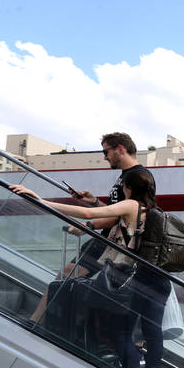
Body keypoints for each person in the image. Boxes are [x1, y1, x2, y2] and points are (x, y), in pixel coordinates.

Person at [10, 169, 169, 368]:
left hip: (131, 281)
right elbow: (104, 220)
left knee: (119, 332)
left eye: (123, 185)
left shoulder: (132, 205)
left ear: (128, 188)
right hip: (157, 280)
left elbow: (88, 214)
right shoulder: (152, 211)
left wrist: (40, 200)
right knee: (153, 332)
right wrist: (92, 218)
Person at [28, 132, 155, 323]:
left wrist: (89, 224)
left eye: (106, 152)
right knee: (68, 276)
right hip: (107, 240)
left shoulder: (137, 177)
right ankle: (39, 322)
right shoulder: (126, 176)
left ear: (120, 149)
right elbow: (117, 213)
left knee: (68, 276)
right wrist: (94, 201)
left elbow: (122, 217)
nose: (104, 157)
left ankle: (36, 322)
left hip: (112, 243)